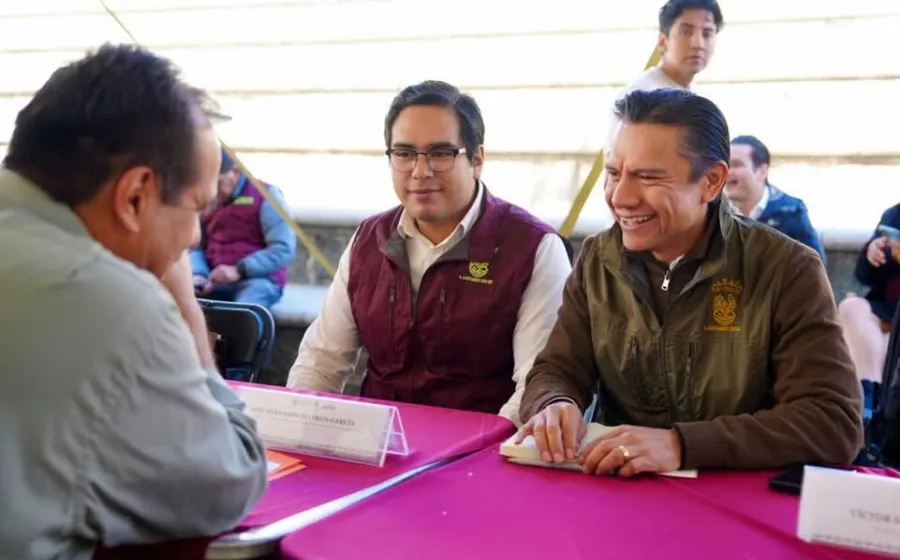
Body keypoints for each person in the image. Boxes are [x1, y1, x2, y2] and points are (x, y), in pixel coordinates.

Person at [0, 44, 268, 559]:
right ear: (135, 196)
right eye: (197, 208)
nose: (193, 238)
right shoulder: (116, 306)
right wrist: (182, 302)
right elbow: (229, 479)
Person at [518, 88, 863, 476]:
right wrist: (554, 403)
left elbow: (833, 422)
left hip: (734, 498)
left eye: (648, 177)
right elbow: (557, 368)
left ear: (712, 182)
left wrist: (683, 444)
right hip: (619, 489)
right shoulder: (599, 258)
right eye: (614, 173)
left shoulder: (785, 267)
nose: (621, 197)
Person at [288, 80, 572, 424]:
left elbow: (534, 386)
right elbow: (322, 361)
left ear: (477, 159)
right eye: (405, 154)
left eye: (440, 153)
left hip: (477, 456)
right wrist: (299, 425)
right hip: (381, 448)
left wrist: (483, 456)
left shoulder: (533, 248)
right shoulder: (369, 239)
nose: (420, 172)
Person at [606, 0, 724, 145]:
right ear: (663, 41)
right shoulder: (641, 95)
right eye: (686, 32)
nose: (698, 44)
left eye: (707, 34)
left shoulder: (704, 99)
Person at [190, 149, 296, 309]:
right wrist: (199, 274)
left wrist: (239, 270)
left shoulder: (266, 195)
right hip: (213, 279)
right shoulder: (206, 200)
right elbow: (195, 246)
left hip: (258, 280)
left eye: (218, 183)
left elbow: (283, 248)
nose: (212, 192)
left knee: (244, 310)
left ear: (235, 171)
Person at [724, 135, 824, 259]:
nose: (727, 172)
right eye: (724, 165)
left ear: (762, 171)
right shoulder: (711, 211)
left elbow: (814, 267)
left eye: (736, 165)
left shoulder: (790, 212)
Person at [838, 205, 900, 383]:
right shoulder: (894, 215)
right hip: (888, 307)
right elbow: (864, 276)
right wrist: (872, 252)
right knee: (851, 307)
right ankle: (869, 394)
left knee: (890, 342)